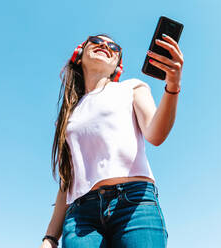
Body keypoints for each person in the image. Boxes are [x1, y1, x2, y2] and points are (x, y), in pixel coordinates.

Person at [40, 33, 183, 248]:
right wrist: (50, 238)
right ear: (79, 55)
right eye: (96, 42)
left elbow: (156, 134)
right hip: (81, 216)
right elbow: (67, 180)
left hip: (134, 204)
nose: (105, 46)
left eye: (113, 46)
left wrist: (172, 86)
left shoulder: (132, 87)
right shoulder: (69, 116)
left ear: (118, 64)